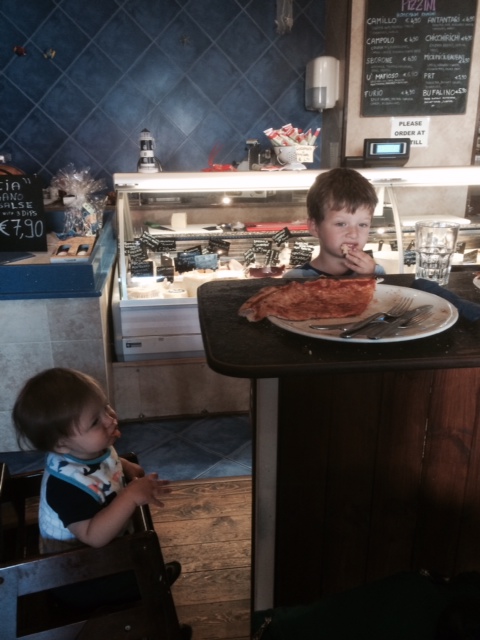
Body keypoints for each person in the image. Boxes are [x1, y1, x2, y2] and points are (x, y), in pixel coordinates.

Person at [12, 367, 182, 609]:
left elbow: (104, 462)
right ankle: (153, 585)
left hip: (97, 557)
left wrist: (123, 466)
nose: (110, 419)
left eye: (106, 406)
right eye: (95, 421)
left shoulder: (88, 448)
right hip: (77, 576)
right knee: (146, 575)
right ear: (62, 444)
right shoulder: (65, 487)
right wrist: (130, 496)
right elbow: (94, 536)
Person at [284, 167, 385, 278]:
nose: (353, 234)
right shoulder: (296, 279)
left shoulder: (376, 272)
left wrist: (370, 277)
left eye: (362, 224)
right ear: (315, 227)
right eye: (341, 224)